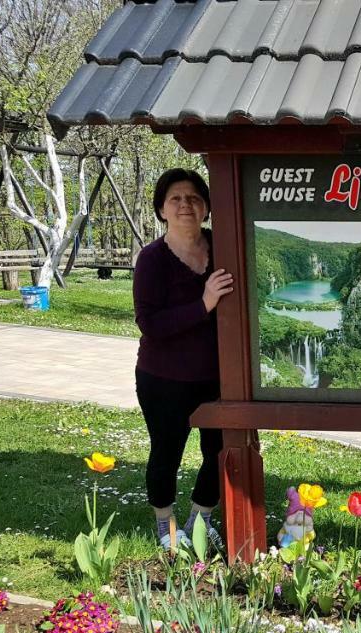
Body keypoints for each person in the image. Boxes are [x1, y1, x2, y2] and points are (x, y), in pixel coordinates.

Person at [133, 168, 234, 551]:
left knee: (219, 452)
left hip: (220, 376)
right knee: (166, 451)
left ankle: (199, 519)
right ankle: (166, 526)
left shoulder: (225, 246)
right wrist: (204, 304)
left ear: (207, 206)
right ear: (161, 209)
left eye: (193, 197)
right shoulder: (152, 260)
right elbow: (150, 324)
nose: (185, 205)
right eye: (175, 198)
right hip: (163, 377)